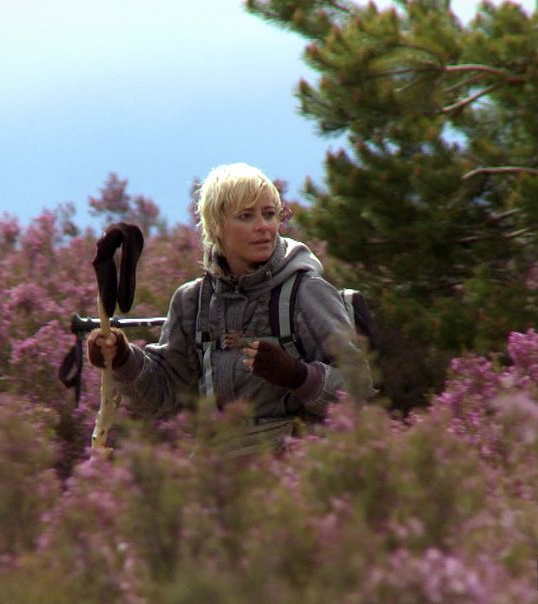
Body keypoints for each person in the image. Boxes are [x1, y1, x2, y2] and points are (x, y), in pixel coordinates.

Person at [87, 162, 372, 454]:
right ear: (216, 227)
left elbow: (358, 389)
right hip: (217, 476)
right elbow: (162, 394)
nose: (263, 226)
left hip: (295, 477)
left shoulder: (306, 291)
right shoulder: (192, 301)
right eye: (246, 216)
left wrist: (296, 375)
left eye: (270, 214)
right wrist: (121, 358)